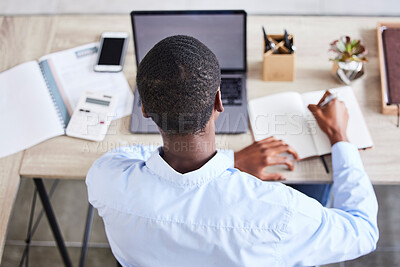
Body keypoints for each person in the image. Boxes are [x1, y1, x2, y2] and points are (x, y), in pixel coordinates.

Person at [86, 35, 378, 267]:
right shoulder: (279, 212)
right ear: (218, 101)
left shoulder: (107, 179)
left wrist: (233, 161)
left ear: (145, 111)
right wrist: (340, 137)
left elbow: (128, 155)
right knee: (313, 188)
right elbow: (363, 231)